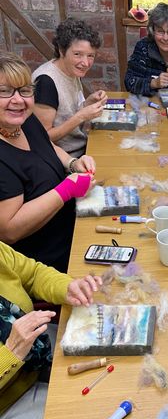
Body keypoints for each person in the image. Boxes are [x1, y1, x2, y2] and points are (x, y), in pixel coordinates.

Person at [0, 241, 102, 419]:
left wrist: (66, 287)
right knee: (91, 414)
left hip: (33, 349)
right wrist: (10, 353)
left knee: (109, 354)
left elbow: (33, 274)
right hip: (6, 404)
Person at [0, 51, 95, 272]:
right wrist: (66, 190)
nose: (18, 100)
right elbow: (9, 230)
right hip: (47, 262)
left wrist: (73, 163)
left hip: (74, 226)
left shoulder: (25, 121)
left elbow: (47, 146)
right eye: (5, 92)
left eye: (24, 91)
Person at [32, 17, 107, 157]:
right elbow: (41, 137)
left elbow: (65, 114)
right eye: (77, 54)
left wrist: (87, 103)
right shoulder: (46, 82)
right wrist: (82, 116)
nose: (85, 62)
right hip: (65, 159)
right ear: (61, 50)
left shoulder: (71, 71)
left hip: (82, 146)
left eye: (90, 55)